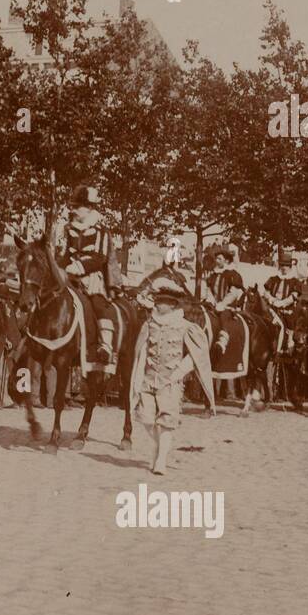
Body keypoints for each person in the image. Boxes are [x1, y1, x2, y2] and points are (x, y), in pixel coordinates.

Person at [128, 275, 214, 476]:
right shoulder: (149, 325)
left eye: (161, 302)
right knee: (147, 420)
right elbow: (140, 352)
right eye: (156, 301)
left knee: (166, 422)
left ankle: (161, 460)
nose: (156, 305)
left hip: (171, 382)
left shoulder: (185, 326)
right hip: (149, 379)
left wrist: (177, 374)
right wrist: (138, 377)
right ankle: (160, 448)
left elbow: (196, 356)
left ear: (172, 304)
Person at [61, 184, 120, 365]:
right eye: (73, 206)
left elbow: (100, 257)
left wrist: (78, 267)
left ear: (89, 208)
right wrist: (60, 267)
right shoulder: (67, 229)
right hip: (70, 276)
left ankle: (105, 345)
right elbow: (64, 254)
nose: (73, 210)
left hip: (92, 277)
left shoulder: (100, 230)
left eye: (77, 207)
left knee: (98, 304)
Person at [202, 245, 244, 353]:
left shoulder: (232, 274)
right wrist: (211, 301)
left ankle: (223, 339)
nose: (217, 261)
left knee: (224, 315)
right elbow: (209, 289)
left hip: (227, 306)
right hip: (213, 304)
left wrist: (222, 304)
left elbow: (233, 293)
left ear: (226, 260)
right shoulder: (213, 274)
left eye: (219, 259)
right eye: (216, 258)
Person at [258, 253, 301, 353]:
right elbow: (266, 292)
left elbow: (294, 296)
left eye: (286, 265)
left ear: (290, 267)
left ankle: (286, 345)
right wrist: (272, 300)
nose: (284, 268)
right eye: (282, 265)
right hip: (272, 307)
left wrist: (282, 303)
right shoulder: (273, 279)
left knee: (287, 323)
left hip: (287, 309)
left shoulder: (294, 281)